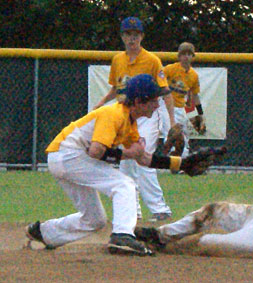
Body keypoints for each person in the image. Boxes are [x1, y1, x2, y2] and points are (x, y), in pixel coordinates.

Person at [25, 74, 221, 256]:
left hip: (65, 158)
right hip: (69, 155)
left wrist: (183, 164)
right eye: (153, 100)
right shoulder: (114, 114)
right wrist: (127, 154)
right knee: (124, 185)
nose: (157, 104)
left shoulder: (130, 122)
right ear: (138, 101)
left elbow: (144, 158)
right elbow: (96, 151)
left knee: (94, 219)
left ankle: (44, 233)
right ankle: (122, 236)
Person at [94, 17, 175, 222]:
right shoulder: (117, 60)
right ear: (122, 37)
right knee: (126, 161)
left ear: (142, 37)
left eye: (136, 34)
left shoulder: (152, 60)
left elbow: (165, 92)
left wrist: (172, 122)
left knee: (143, 157)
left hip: (147, 116)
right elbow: (116, 88)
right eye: (128, 34)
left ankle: (160, 209)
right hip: (125, 115)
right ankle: (132, 210)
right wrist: (101, 103)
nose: (132, 38)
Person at [164, 42, 204, 157]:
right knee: (171, 131)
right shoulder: (170, 69)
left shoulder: (194, 75)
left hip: (180, 107)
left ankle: (182, 162)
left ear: (193, 57)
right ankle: (171, 161)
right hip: (165, 105)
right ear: (179, 56)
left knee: (184, 135)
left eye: (189, 54)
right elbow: (158, 80)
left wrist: (200, 113)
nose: (186, 57)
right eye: (184, 54)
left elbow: (195, 95)